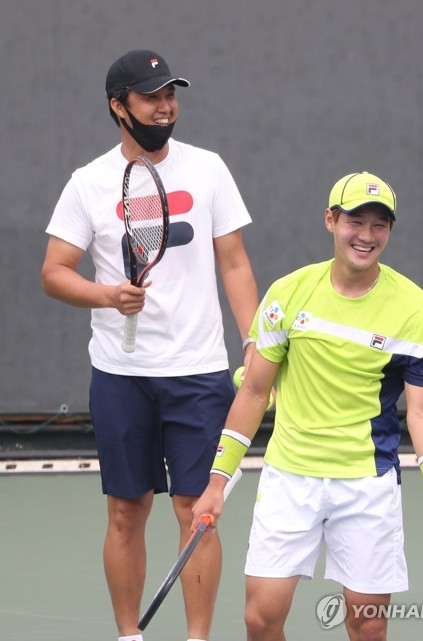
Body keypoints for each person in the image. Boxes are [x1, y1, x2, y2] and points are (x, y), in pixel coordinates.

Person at [191, 171, 423, 641]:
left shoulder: (414, 308)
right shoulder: (287, 294)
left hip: (367, 485)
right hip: (289, 477)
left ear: (390, 230)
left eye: (379, 225)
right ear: (331, 220)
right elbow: (252, 392)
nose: (366, 236)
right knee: (259, 620)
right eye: (355, 221)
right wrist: (216, 483)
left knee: (366, 625)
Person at [41, 49, 259, 641]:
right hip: (120, 374)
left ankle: (197, 639)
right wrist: (107, 295)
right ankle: (129, 636)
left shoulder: (209, 168)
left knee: (199, 513)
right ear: (119, 107)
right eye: (151, 97)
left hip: (198, 372)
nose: (166, 106)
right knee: (125, 511)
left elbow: (234, 264)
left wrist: (255, 342)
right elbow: (55, 271)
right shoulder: (87, 183)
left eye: (171, 95)